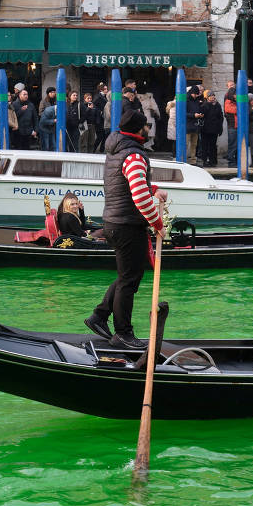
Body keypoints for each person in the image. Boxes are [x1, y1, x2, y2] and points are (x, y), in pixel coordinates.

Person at [84, 110, 168, 348]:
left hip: (115, 223)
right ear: (139, 129)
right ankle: (122, 334)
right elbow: (139, 198)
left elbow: (128, 184)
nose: (149, 129)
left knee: (127, 276)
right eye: (146, 126)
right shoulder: (133, 155)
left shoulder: (118, 150)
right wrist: (157, 224)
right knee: (129, 281)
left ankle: (99, 316)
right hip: (127, 225)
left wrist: (153, 189)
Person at [200, 90, 223, 167]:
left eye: (213, 95)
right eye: (211, 96)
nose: (212, 97)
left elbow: (220, 117)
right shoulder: (204, 105)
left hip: (214, 129)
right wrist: (210, 105)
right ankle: (205, 161)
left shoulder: (218, 105)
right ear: (207, 97)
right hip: (205, 129)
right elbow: (203, 115)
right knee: (205, 146)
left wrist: (220, 128)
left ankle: (213, 161)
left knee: (213, 146)